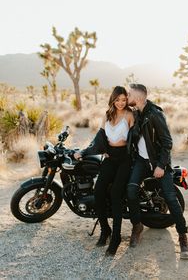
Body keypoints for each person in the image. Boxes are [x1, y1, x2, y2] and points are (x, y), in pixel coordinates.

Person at [126, 83, 188, 260]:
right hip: (141, 161)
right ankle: (137, 226)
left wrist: (161, 166)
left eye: (130, 93)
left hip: (157, 163)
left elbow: (167, 142)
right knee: (131, 190)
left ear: (138, 97)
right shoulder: (137, 112)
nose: (127, 95)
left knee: (170, 198)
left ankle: (183, 237)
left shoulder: (155, 114)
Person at [73, 86, 134, 256]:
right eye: (118, 100)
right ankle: (105, 230)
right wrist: (84, 152)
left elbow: (135, 139)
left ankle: (116, 238)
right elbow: (98, 138)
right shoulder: (107, 115)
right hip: (109, 157)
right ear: (112, 100)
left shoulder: (130, 115)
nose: (121, 103)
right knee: (98, 191)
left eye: (124, 99)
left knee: (115, 194)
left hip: (124, 159)